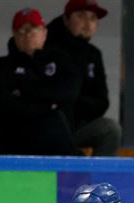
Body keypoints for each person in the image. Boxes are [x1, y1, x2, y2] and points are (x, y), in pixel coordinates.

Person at [0, 8, 80, 156]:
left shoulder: (61, 61)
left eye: (33, 29)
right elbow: (4, 107)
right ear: (14, 34)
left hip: (58, 147)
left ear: (44, 33)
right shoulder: (1, 66)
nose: (28, 34)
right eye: (22, 30)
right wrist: (49, 106)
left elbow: (70, 94)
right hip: (15, 146)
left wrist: (24, 90)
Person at [46, 0, 121, 156]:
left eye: (93, 18)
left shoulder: (93, 54)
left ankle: (97, 173)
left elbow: (102, 101)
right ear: (66, 19)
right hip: (46, 128)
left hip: (78, 125)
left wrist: (73, 103)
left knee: (110, 129)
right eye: (81, 16)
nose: (87, 23)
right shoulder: (46, 47)